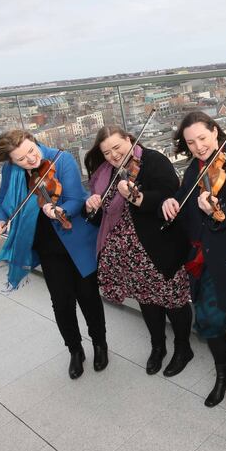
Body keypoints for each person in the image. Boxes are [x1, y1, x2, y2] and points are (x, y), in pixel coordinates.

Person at [0, 130, 107, 380]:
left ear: (35, 141)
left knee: (88, 296)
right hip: (46, 244)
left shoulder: (62, 159)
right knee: (61, 302)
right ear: (11, 161)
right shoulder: (10, 171)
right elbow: (2, 201)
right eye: (21, 159)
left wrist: (59, 210)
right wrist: (0, 220)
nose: (30, 159)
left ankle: (100, 345)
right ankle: (75, 350)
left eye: (31, 151)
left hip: (75, 238)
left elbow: (76, 199)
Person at [161, 111, 226, 406]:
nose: (198, 146)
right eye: (191, 142)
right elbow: (184, 198)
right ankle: (222, 374)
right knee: (209, 321)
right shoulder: (196, 167)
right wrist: (171, 201)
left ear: (216, 132)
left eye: (202, 138)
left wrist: (217, 212)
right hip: (206, 260)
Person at [84, 125, 191, 376]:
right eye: (107, 152)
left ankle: (183, 348)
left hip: (158, 247)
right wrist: (89, 205)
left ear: (129, 139)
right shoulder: (105, 173)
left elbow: (169, 195)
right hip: (128, 254)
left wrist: (138, 197)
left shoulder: (154, 161)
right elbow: (100, 215)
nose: (113, 155)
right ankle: (158, 347)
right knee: (146, 301)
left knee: (174, 301)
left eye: (117, 147)